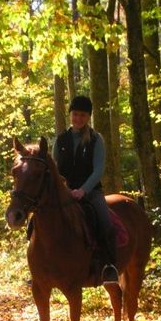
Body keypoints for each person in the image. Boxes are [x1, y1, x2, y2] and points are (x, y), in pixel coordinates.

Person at [52, 95, 119, 284]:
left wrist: (83, 190)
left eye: (82, 115)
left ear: (88, 117)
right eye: (75, 114)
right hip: (64, 193)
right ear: (70, 115)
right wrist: (62, 189)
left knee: (106, 224)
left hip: (90, 193)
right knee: (38, 220)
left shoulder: (96, 140)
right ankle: (39, 268)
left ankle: (109, 267)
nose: (78, 119)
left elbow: (98, 169)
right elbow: (54, 169)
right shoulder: (61, 140)